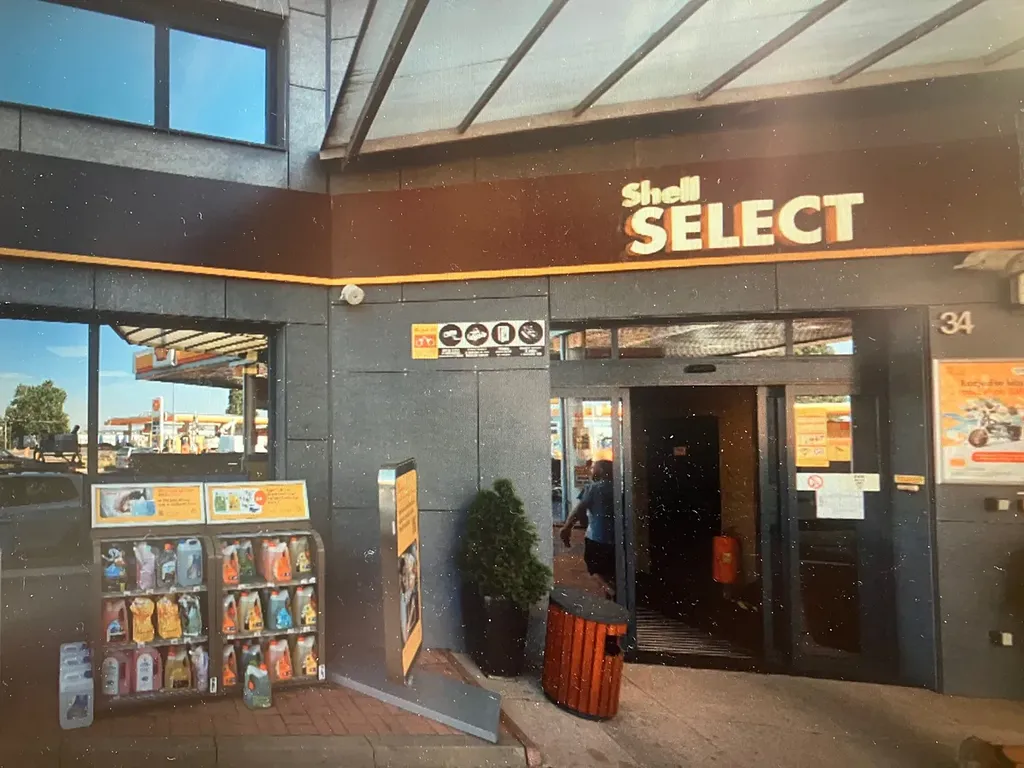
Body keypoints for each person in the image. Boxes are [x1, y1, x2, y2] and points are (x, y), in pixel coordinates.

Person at [560, 459, 615, 598]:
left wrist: (571, 526)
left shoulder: (592, 488)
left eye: (594, 468)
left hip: (596, 537)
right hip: (616, 539)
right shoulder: (619, 487)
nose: (591, 470)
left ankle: (610, 590)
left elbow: (579, 509)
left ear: (601, 471)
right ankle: (611, 597)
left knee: (594, 570)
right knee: (610, 571)